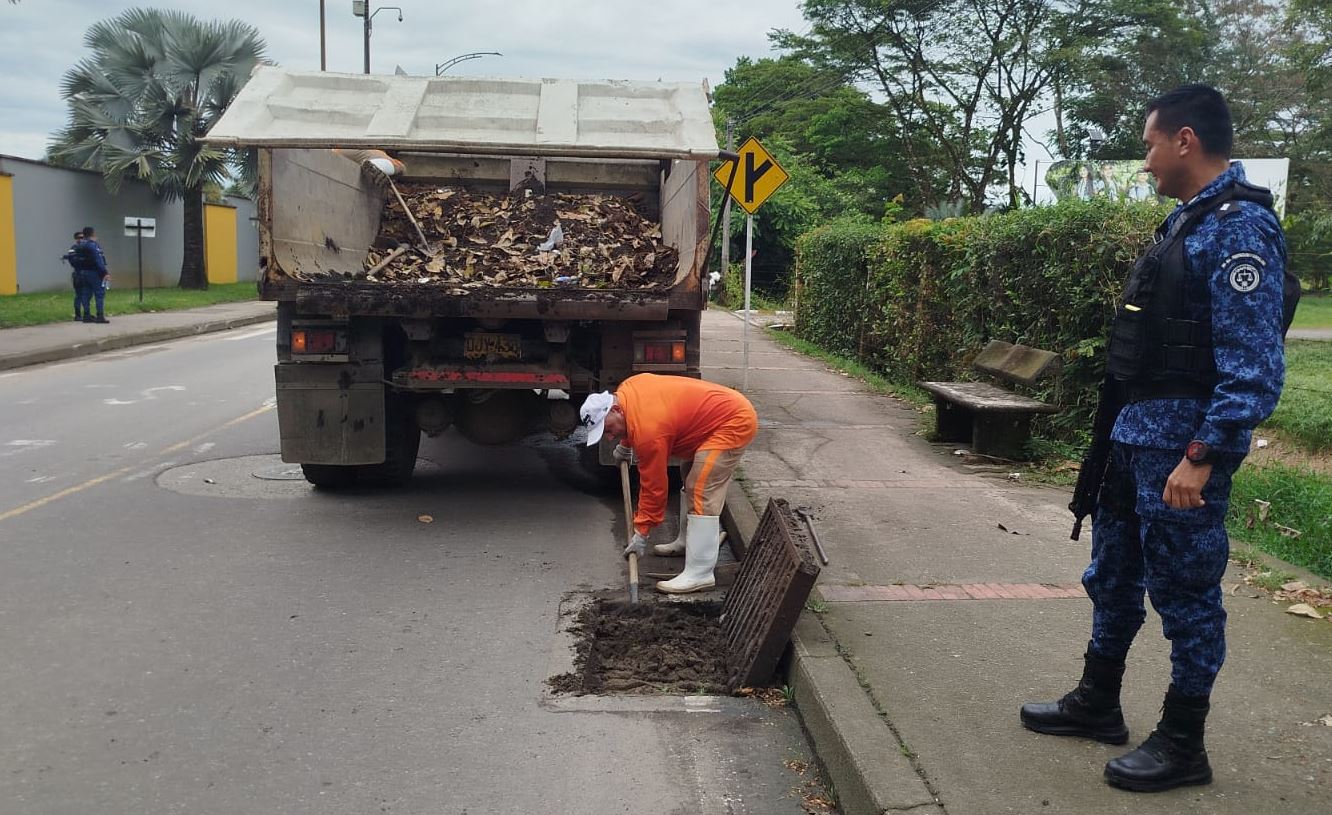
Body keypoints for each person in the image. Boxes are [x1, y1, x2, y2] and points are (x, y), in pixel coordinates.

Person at [1023, 85, 1297, 793]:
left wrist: (1203, 456)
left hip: (1182, 454)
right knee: (1112, 575)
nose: (1144, 161)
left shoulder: (1239, 229)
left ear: (1184, 140)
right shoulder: (1184, 223)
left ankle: (1183, 739)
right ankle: (1098, 699)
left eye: (1148, 144)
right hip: (1133, 438)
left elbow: (1254, 367)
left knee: (1187, 596)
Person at [580, 374, 758, 594]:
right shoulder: (626, 391)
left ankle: (700, 573)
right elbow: (633, 419)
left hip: (732, 421)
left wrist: (642, 532)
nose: (609, 437)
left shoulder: (649, 432)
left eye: (607, 430)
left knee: (701, 488)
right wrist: (626, 444)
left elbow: (654, 487)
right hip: (711, 419)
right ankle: (686, 541)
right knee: (687, 472)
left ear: (615, 410)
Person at [71, 226, 110, 324]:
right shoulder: (92, 245)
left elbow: (75, 260)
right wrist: (105, 273)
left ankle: (86, 315)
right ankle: (100, 316)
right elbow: (98, 259)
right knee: (99, 294)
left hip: (83, 273)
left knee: (85, 294)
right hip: (95, 273)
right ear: (93, 234)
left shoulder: (79, 246)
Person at [61, 231, 86, 321]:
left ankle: (86, 314)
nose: (81, 239)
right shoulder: (73, 248)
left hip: (86, 273)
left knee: (86, 295)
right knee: (79, 295)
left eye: (83, 237)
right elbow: (74, 261)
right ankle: (78, 315)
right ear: (76, 239)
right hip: (78, 274)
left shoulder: (86, 247)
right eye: (79, 237)